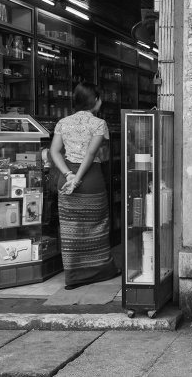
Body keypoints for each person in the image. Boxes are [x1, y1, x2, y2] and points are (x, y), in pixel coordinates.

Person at [49, 82, 120, 290]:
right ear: (95, 100)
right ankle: (102, 271)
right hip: (90, 179)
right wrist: (78, 178)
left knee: (71, 230)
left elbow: (54, 152)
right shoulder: (98, 123)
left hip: (67, 177)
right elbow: (90, 154)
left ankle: (73, 277)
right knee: (96, 226)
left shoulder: (63, 123)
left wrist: (69, 175)